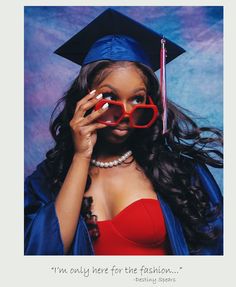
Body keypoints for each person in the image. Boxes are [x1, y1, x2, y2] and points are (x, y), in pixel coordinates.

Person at [24, 9, 223, 255]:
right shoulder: (48, 179)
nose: (126, 113)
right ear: (84, 99)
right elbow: (42, 256)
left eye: (137, 99)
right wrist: (80, 157)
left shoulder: (178, 172)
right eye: (110, 97)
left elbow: (213, 258)